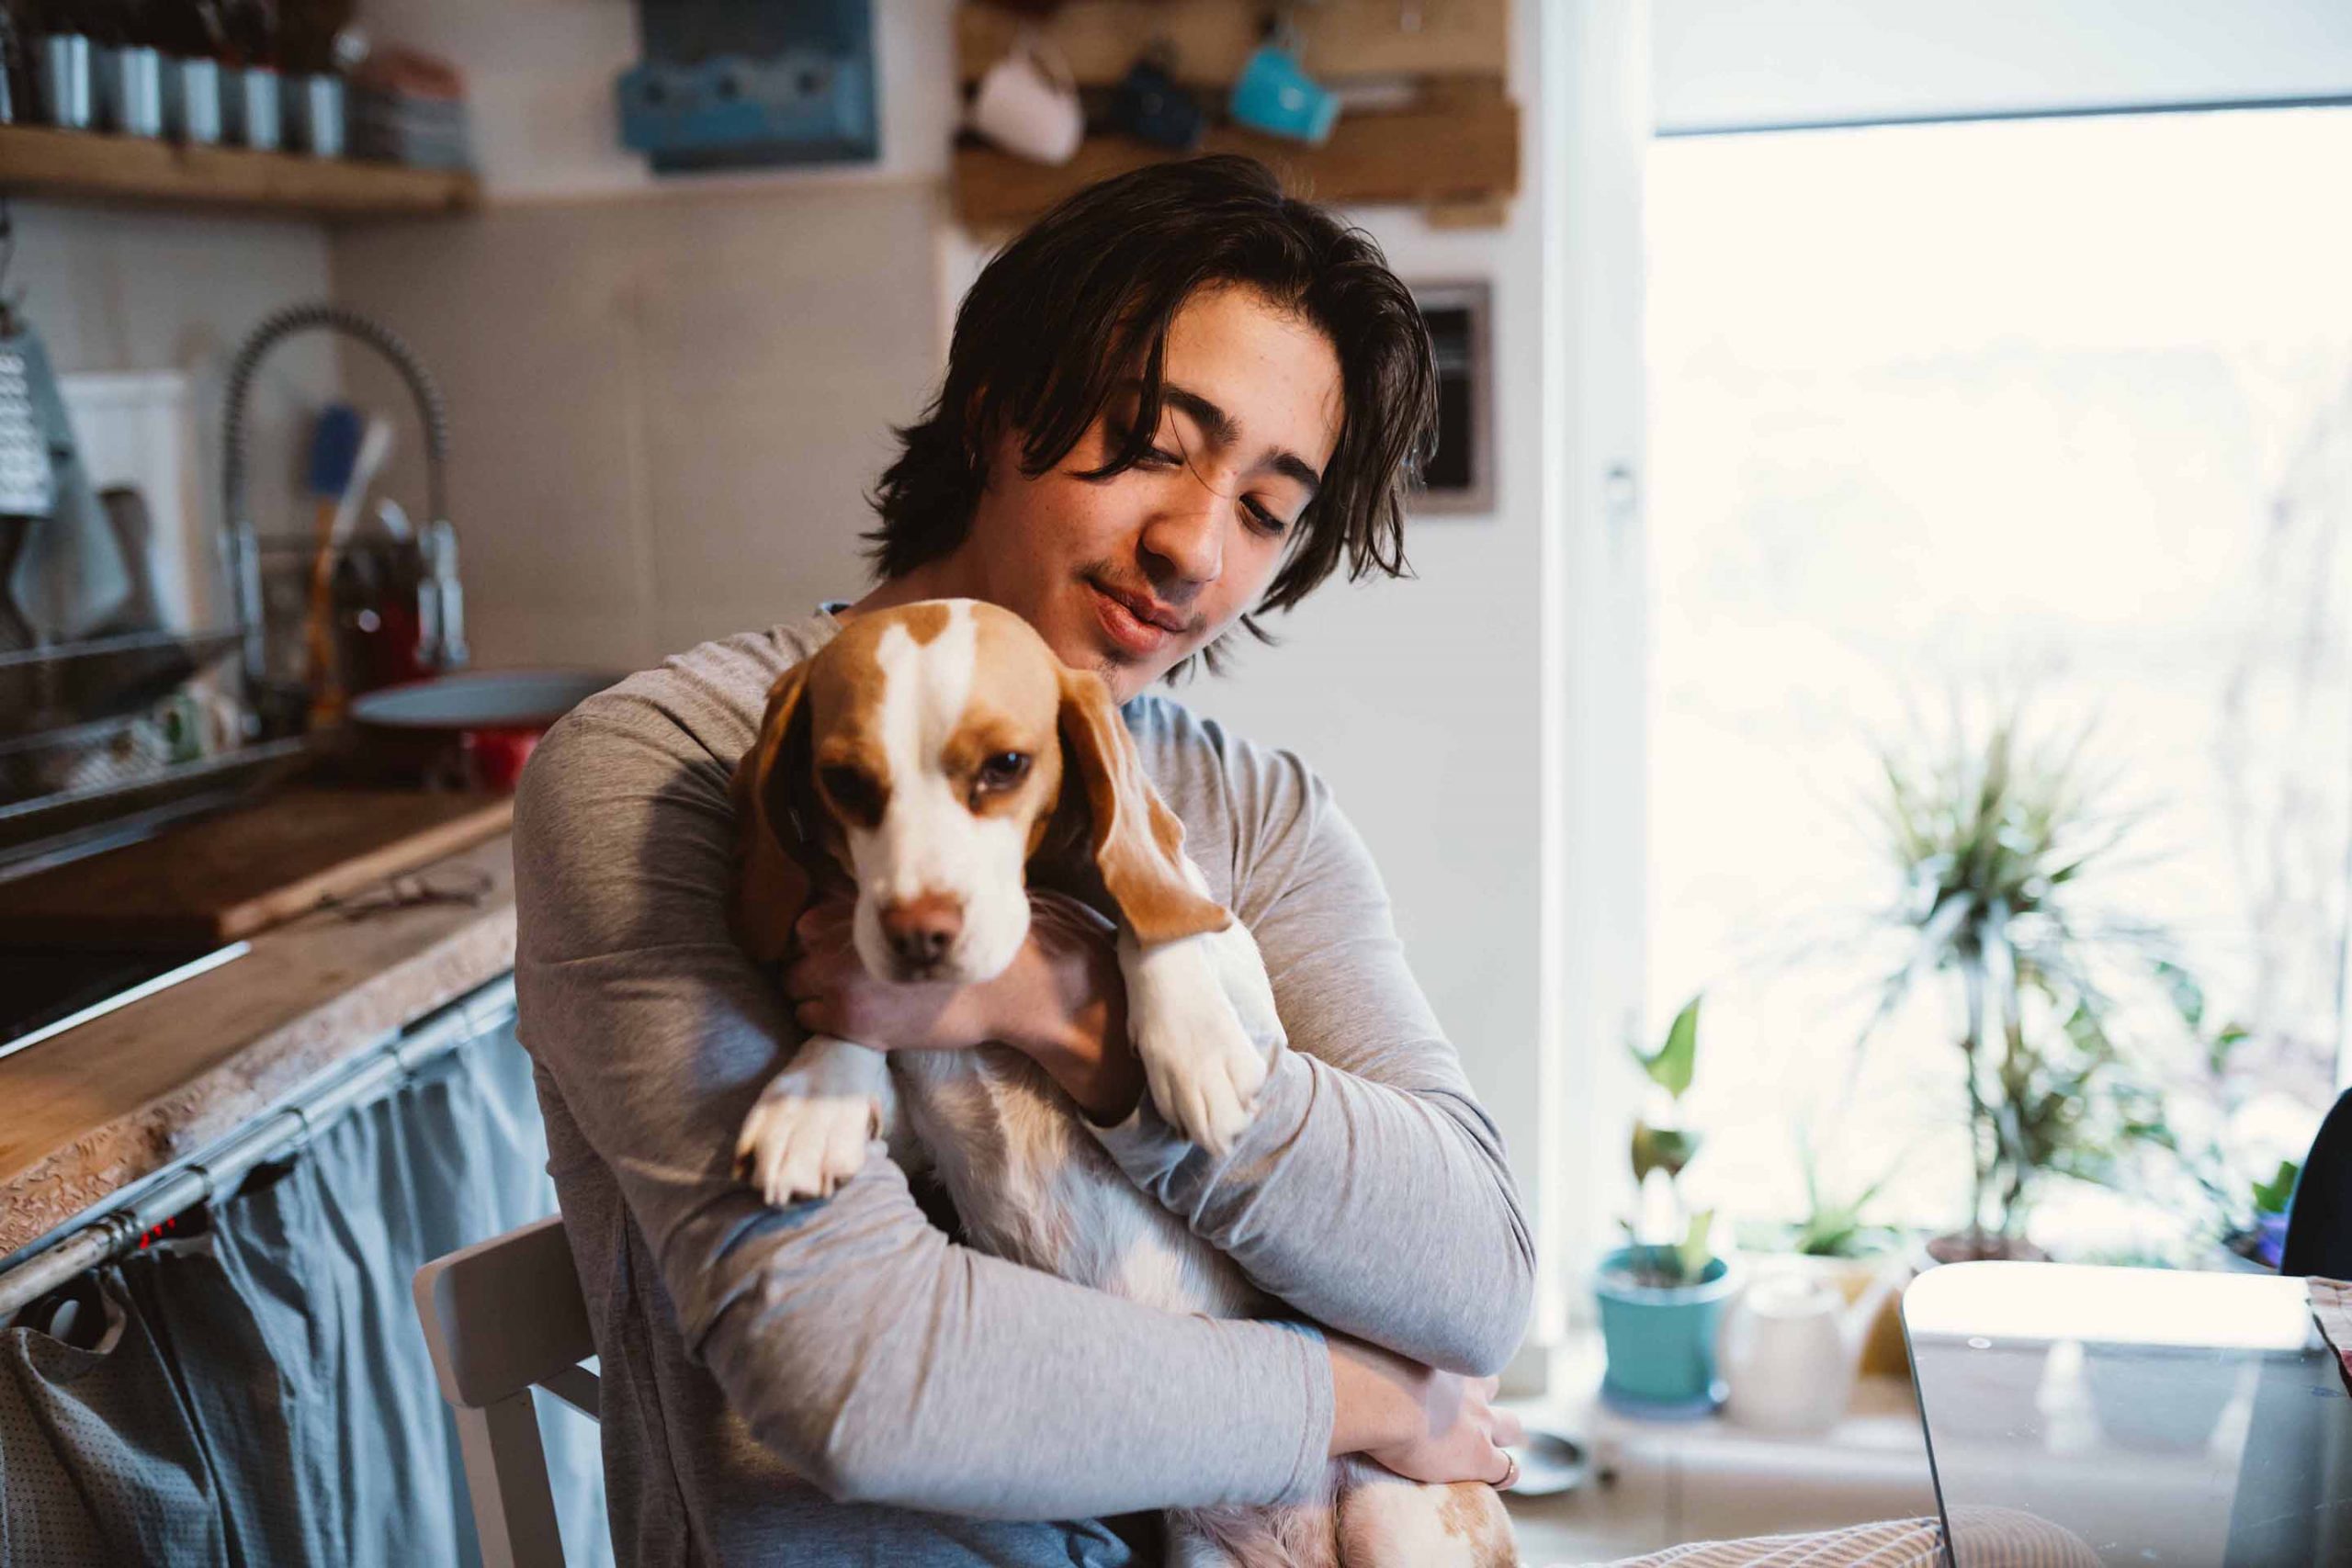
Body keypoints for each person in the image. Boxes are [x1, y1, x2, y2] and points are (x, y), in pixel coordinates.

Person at [513, 153, 1534, 1566]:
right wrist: (1359, 1401)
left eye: (1264, 508)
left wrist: (1075, 1015)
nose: (1193, 549)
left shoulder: (1251, 812)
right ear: (998, 408)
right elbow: (861, 1380)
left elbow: (1473, 1277)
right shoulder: (670, 766)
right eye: (1156, 440)